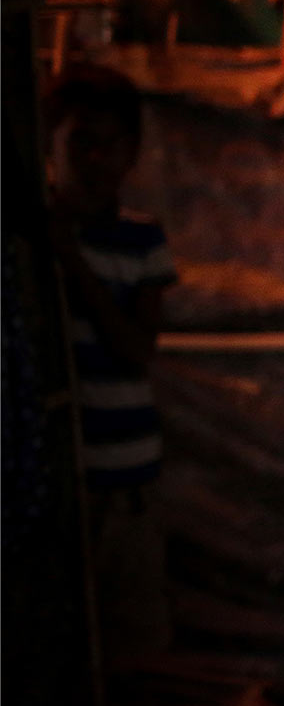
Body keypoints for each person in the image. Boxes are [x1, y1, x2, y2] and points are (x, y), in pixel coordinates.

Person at [45, 65, 177, 666]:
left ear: (132, 154)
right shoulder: (24, 242)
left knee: (127, 637)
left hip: (123, 472)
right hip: (44, 479)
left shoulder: (140, 241)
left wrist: (71, 263)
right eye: (80, 144)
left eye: (111, 145)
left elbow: (134, 349)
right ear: (48, 145)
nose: (95, 160)